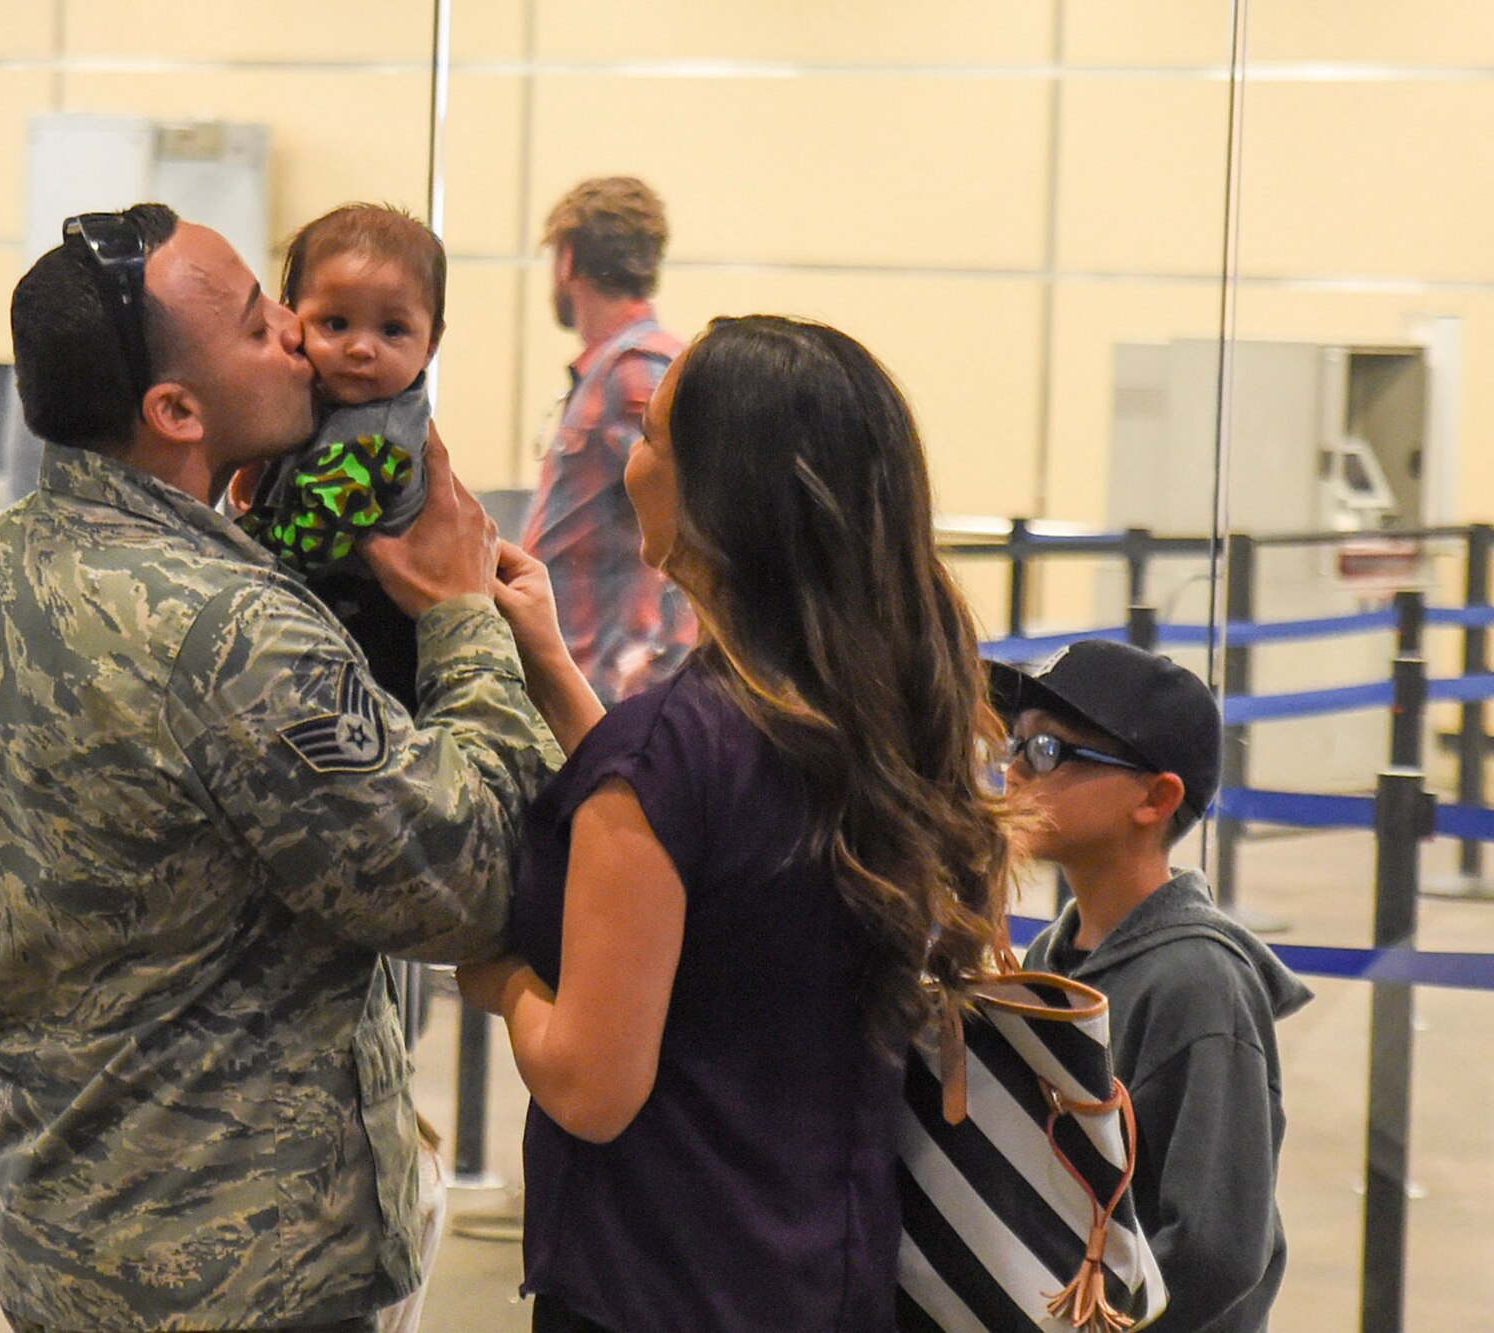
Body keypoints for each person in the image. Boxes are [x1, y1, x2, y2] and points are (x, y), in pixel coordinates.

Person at [0, 203, 560, 1333]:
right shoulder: (232, 634)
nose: (304, 347)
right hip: (234, 1274)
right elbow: (469, 877)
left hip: (58, 1239)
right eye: (267, 326)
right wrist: (465, 615)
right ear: (174, 409)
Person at [458, 315, 1017, 1331]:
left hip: (661, 1285)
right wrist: (553, 672)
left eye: (650, 435)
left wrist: (503, 983)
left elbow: (591, 1084)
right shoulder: (882, 721)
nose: (630, 459)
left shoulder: (670, 751)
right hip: (830, 1275)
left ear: (719, 492)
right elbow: (698, 828)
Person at [999, 641, 1313, 1333]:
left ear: (1156, 796)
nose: (1016, 772)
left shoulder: (1199, 984)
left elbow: (1218, 1250)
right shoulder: (1056, 954)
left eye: (1049, 750)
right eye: (1013, 746)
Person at [240, 203, 446, 711]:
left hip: (380, 646)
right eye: (336, 323)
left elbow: (298, 550)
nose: (361, 348)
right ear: (291, 321)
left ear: (431, 343)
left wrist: (210, 536)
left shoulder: (372, 443)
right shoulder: (334, 408)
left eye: (392, 330)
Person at [521, 176, 698, 706]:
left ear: (567, 260)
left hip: (607, 691)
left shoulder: (637, 370)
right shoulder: (619, 367)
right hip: (586, 682)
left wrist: (653, 674)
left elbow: (695, 523)